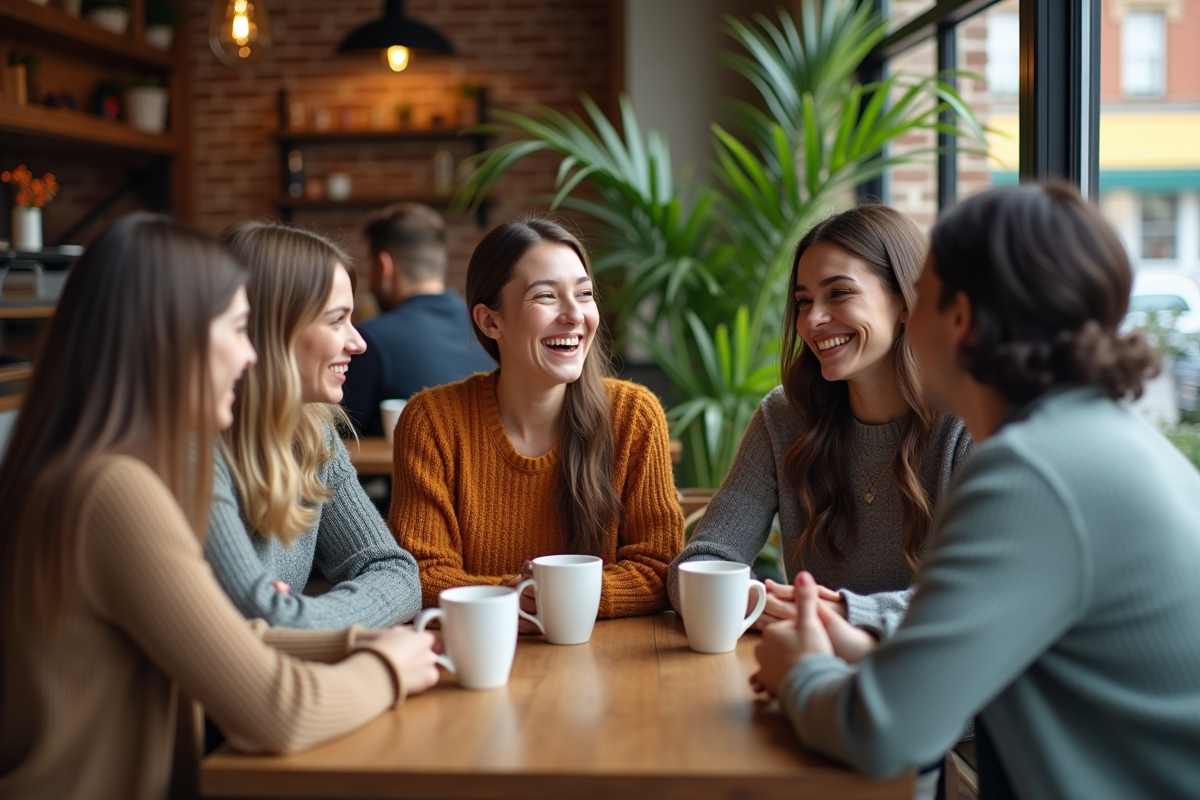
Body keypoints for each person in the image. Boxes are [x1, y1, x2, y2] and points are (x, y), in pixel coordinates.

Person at [754, 183, 1200, 798]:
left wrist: (798, 671)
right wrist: (864, 650)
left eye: (922, 294)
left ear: (957, 318)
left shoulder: (1032, 471)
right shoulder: (1096, 437)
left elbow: (885, 732)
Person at [0, 214, 438, 800]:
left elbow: (229, 638)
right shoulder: (115, 491)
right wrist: (387, 668)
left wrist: (350, 643)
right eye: (238, 330)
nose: (251, 356)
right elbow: (277, 711)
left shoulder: (91, 470)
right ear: (172, 337)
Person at [669, 205, 971, 639]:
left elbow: (976, 598)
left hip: (932, 685)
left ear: (906, 302)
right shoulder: (784, 418)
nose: (812, 320)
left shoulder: (964, 423)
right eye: (803, 301)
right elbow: (697, 563)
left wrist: (845, 613)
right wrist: (752, 604)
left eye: (840, 293)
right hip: (805, 669)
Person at [391, 218, 684, 618]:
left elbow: (659, 568)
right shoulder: (432, 422)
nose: (574, 315)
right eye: (546, 296)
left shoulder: (634, 416)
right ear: (490, 321)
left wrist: (557, 597)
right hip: (481, 658)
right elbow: (419, 576)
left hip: (607, 661)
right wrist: (513, 596)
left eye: (584, 294)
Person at [205, 222, 422, 629]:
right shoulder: (198, 448)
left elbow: (398, 574)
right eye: (336, 320)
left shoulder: (312, 434)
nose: (358, 342)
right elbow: (252, 619)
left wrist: (298, 617)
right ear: (273, 331)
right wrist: (293, 618)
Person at [341, 202, 495, 436]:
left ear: (385, 267)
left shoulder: (368, 341)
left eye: (371, 268)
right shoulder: (490, 329)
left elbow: (338, 438)